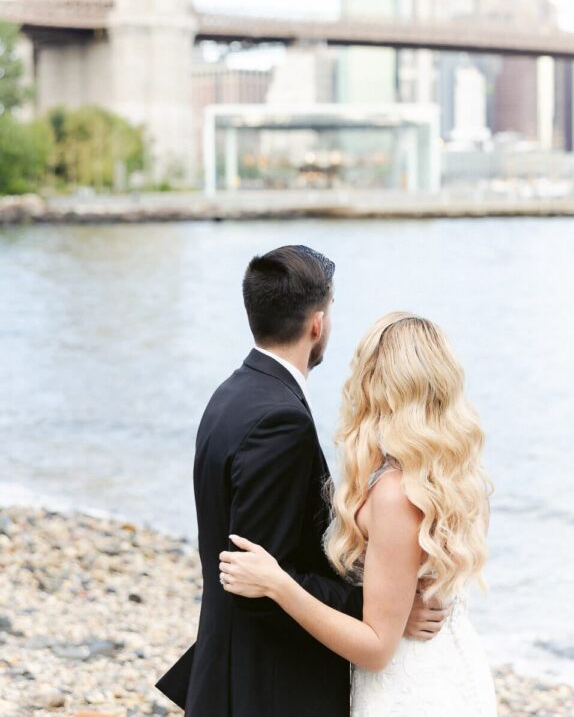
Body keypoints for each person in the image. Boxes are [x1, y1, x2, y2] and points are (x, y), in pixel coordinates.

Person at [155, 247, 449, 716]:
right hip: (270, 684)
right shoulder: (281, 420)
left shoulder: (231, 394)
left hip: (233, 663)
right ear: (317, 323)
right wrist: (379, 608)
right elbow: (255, 579)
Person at [219, 311, 497, 716]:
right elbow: (403, 595)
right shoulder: (459, 476)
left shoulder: (395, 494)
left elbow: (376, 648)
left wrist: (278, 584)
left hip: (409, 691)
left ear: (376, 383)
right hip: (455, 672)